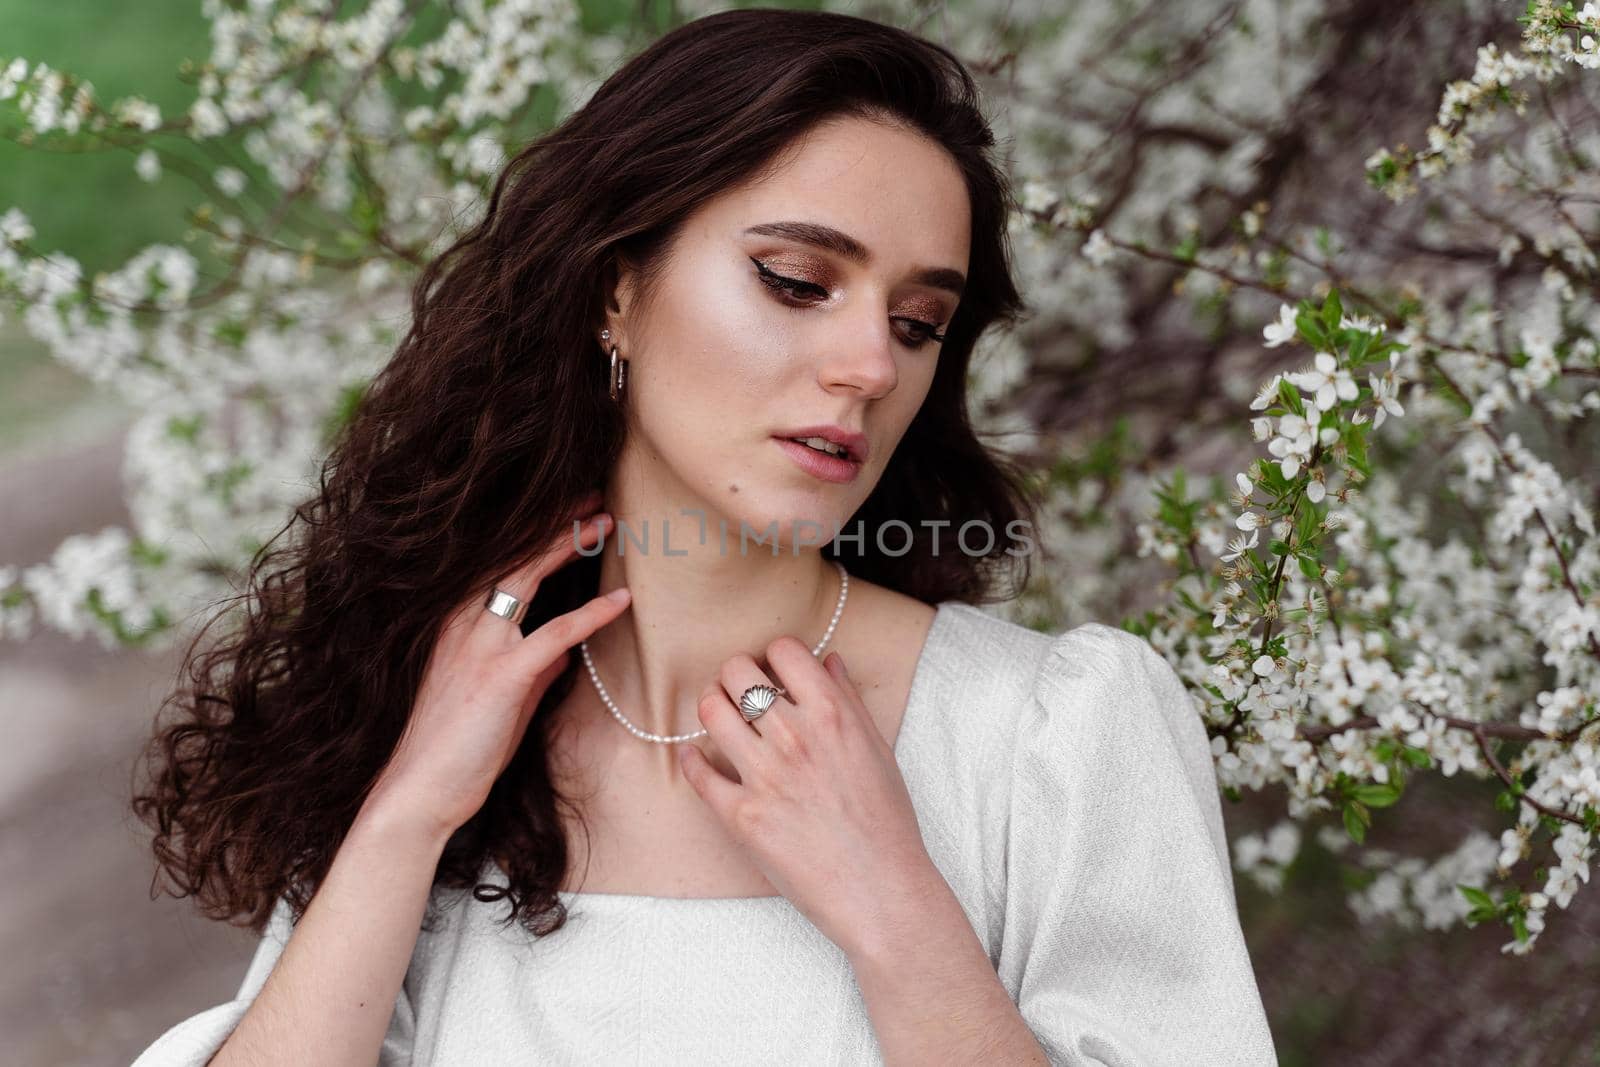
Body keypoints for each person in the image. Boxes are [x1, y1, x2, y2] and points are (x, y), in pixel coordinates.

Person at [129, 8, 1277, 1066]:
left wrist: (897, 913)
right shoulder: (455, 736)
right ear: (616, 291)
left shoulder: (1050, 739)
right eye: (795, 281)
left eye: (917, 323)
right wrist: (405, 813)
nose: (870, 365)